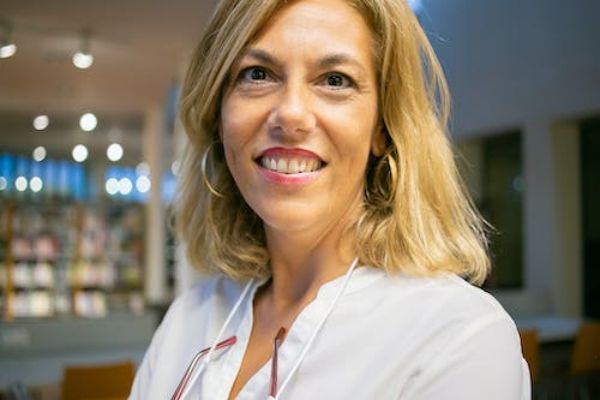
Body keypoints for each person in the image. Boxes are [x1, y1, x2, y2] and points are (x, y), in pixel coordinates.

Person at [130, 0, 531, 398]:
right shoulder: (186, 321)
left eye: (335, 80)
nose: (291, 115)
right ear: (219, 116)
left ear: (382, 128)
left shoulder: (459, 338)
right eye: (258, 74)